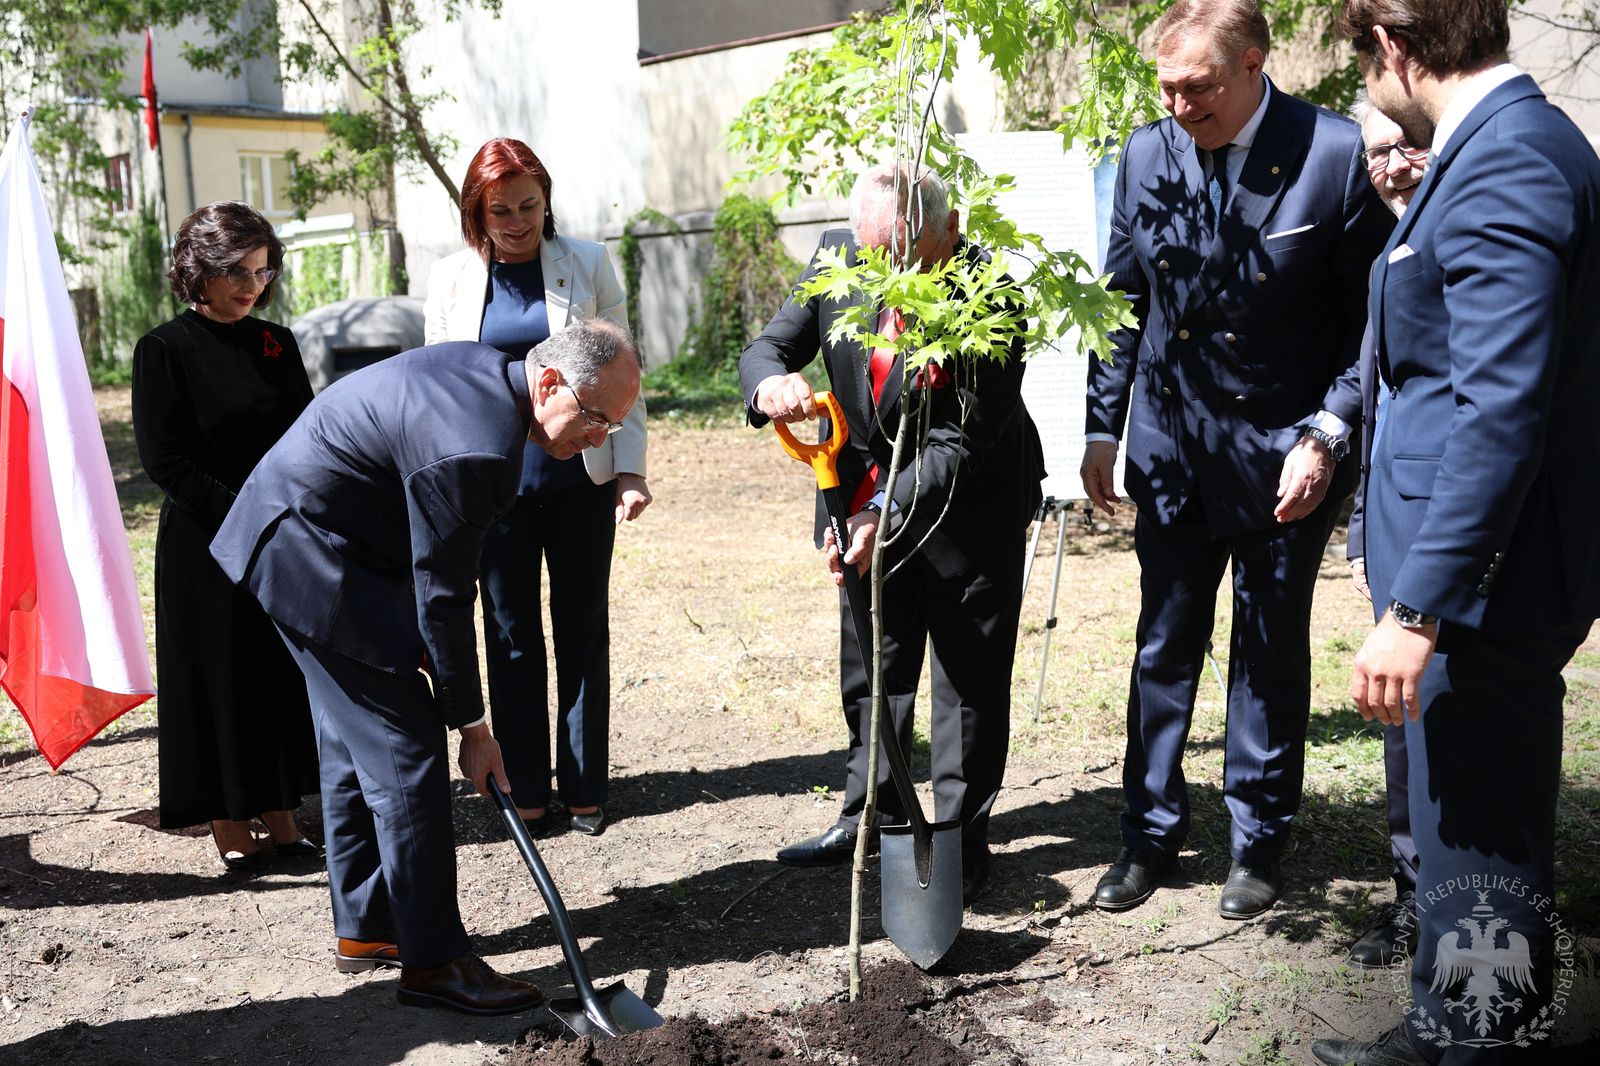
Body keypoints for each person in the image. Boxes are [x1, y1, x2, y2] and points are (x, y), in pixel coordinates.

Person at [1314, 2, 1600, 1062]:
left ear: (1393, 47)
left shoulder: (1507, 161)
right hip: (1477, 574)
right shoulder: (1495, 147)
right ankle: (1452, 1025)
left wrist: (1419, 604)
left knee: (1480, 834)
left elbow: (1498, 407)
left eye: (1359, 54)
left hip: (1482, 589)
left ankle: (1475, 1041)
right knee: (1456, 827)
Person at [210, 320, 642, 1015]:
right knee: (405, 745)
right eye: (596, 418)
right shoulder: (477, 449)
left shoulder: (489, 381)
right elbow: (443, 597)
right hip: (308, 552)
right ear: (551, 381)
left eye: (614, 426)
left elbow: (430, 577)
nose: (599, 439)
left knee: (358, 737)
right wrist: (473, 727)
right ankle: (435, 962)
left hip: (314, 539)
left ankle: (370, 925)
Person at [1078, 0, 1393, 919]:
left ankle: (1257, 841)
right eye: (1166, 87)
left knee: (1266, 647)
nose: (1179, 105)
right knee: (1164, 643)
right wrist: (1104, 426)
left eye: (1199, 86)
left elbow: (1368, 323)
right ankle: (1148, 834)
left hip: (1284, 457)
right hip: (1172, 450)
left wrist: (1328, 432)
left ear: (1254, 63)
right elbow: (1122, 299)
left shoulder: (1333, 156)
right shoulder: (1146, 153)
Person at [739, 163, 1045, 904]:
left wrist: (887, 511)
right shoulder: (837, 256)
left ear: (948, 230)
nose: (886, 273)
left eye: (903, 256)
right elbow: (769, 345)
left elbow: (962, 442)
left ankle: (960, 840)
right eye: (876, 255)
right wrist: (768, 384)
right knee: (873, 663)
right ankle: (866, 815)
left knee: (966, 681)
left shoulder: (990, 293)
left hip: (970, 505)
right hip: (862, 497)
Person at [424, 138, 648, 838]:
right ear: (476, 212)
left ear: (546, 201)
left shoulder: (587, 262)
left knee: (583, 629)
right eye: (501, 210)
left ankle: (585, 788)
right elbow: (440, 387)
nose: (517, 221)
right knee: (509, 634)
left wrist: (632, 468)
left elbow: (623, 372)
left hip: (582, 475)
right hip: (496, 490)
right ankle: (523, 786)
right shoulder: (449, 280)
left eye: (529, 205)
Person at [131, 201, 320, 872]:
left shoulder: (277, 344)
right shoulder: (163, 349)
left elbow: (306, 438)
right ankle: (231, 830)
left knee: (274, 675)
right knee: (219, 680)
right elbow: (166, 462)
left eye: (263, 272)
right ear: (198, 269)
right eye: (237, 271)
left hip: (279, 534)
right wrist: (246, 514)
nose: (252, 286)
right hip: (205, 542)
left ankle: (282, 817)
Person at [1340, 93, 1429, 971]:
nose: (1392, 166)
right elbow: (1375, 398)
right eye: (1376, 154)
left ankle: (1450, 919)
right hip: (1395, 536)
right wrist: (1364, 537)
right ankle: (1414, 904)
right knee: (1406, 744)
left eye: (1408, 146)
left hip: (1453, 551)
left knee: (1450, 749)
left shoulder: (1453, 245)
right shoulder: (1388, 254)